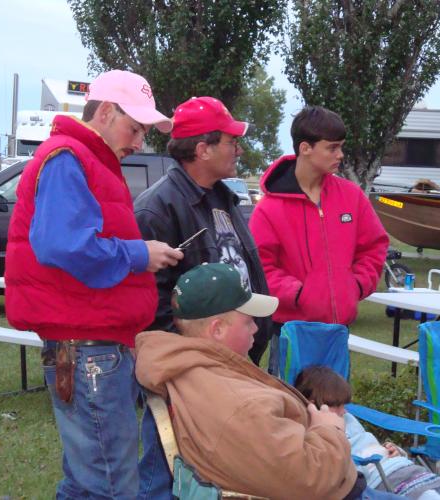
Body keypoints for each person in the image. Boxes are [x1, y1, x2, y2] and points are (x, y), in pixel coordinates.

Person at [5, 70, 183, 499]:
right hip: (90, 353)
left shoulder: (84, 160)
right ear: (105, 111)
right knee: (110, 482)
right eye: (135, 127)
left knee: (88, 480)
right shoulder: (69, 158)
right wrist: (141, 254)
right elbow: (64, 246)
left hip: (92, 349)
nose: (139, 141)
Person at [135, 263, 401, 500]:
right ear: (216, 329)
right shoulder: (235, 403)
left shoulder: (195, 366)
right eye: (249, 321)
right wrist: (329, 429)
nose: (256, 329)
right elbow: (307, 479)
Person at [133, 97, 273, 498]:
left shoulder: (223, 198)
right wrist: (186, 368)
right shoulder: (156, 210)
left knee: (213, 468)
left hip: (229, 359)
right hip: (191, 372)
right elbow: (151, 305)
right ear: (203, 149)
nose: (239, 149)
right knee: (167, 465)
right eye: (232, 140)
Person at [249, 105, 389, 327]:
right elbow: (259, 266)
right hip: (288, 330)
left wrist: (356, 285)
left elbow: (374, 247)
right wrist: (298, 294)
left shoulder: (351, 196)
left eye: (341, 147)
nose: (340, 155)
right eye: (332, 148)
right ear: (305, 148)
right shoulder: (269, 209)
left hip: (339, 331)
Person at [294, 366, 440, 500]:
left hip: (404, 468)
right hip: (381, 480)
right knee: (430, 497)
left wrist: (394, 450)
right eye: (337, 405)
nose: (344, 411)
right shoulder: (313, 432)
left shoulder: (347, 419)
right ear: (313, 402)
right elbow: (336, 469)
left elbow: (366, 444)